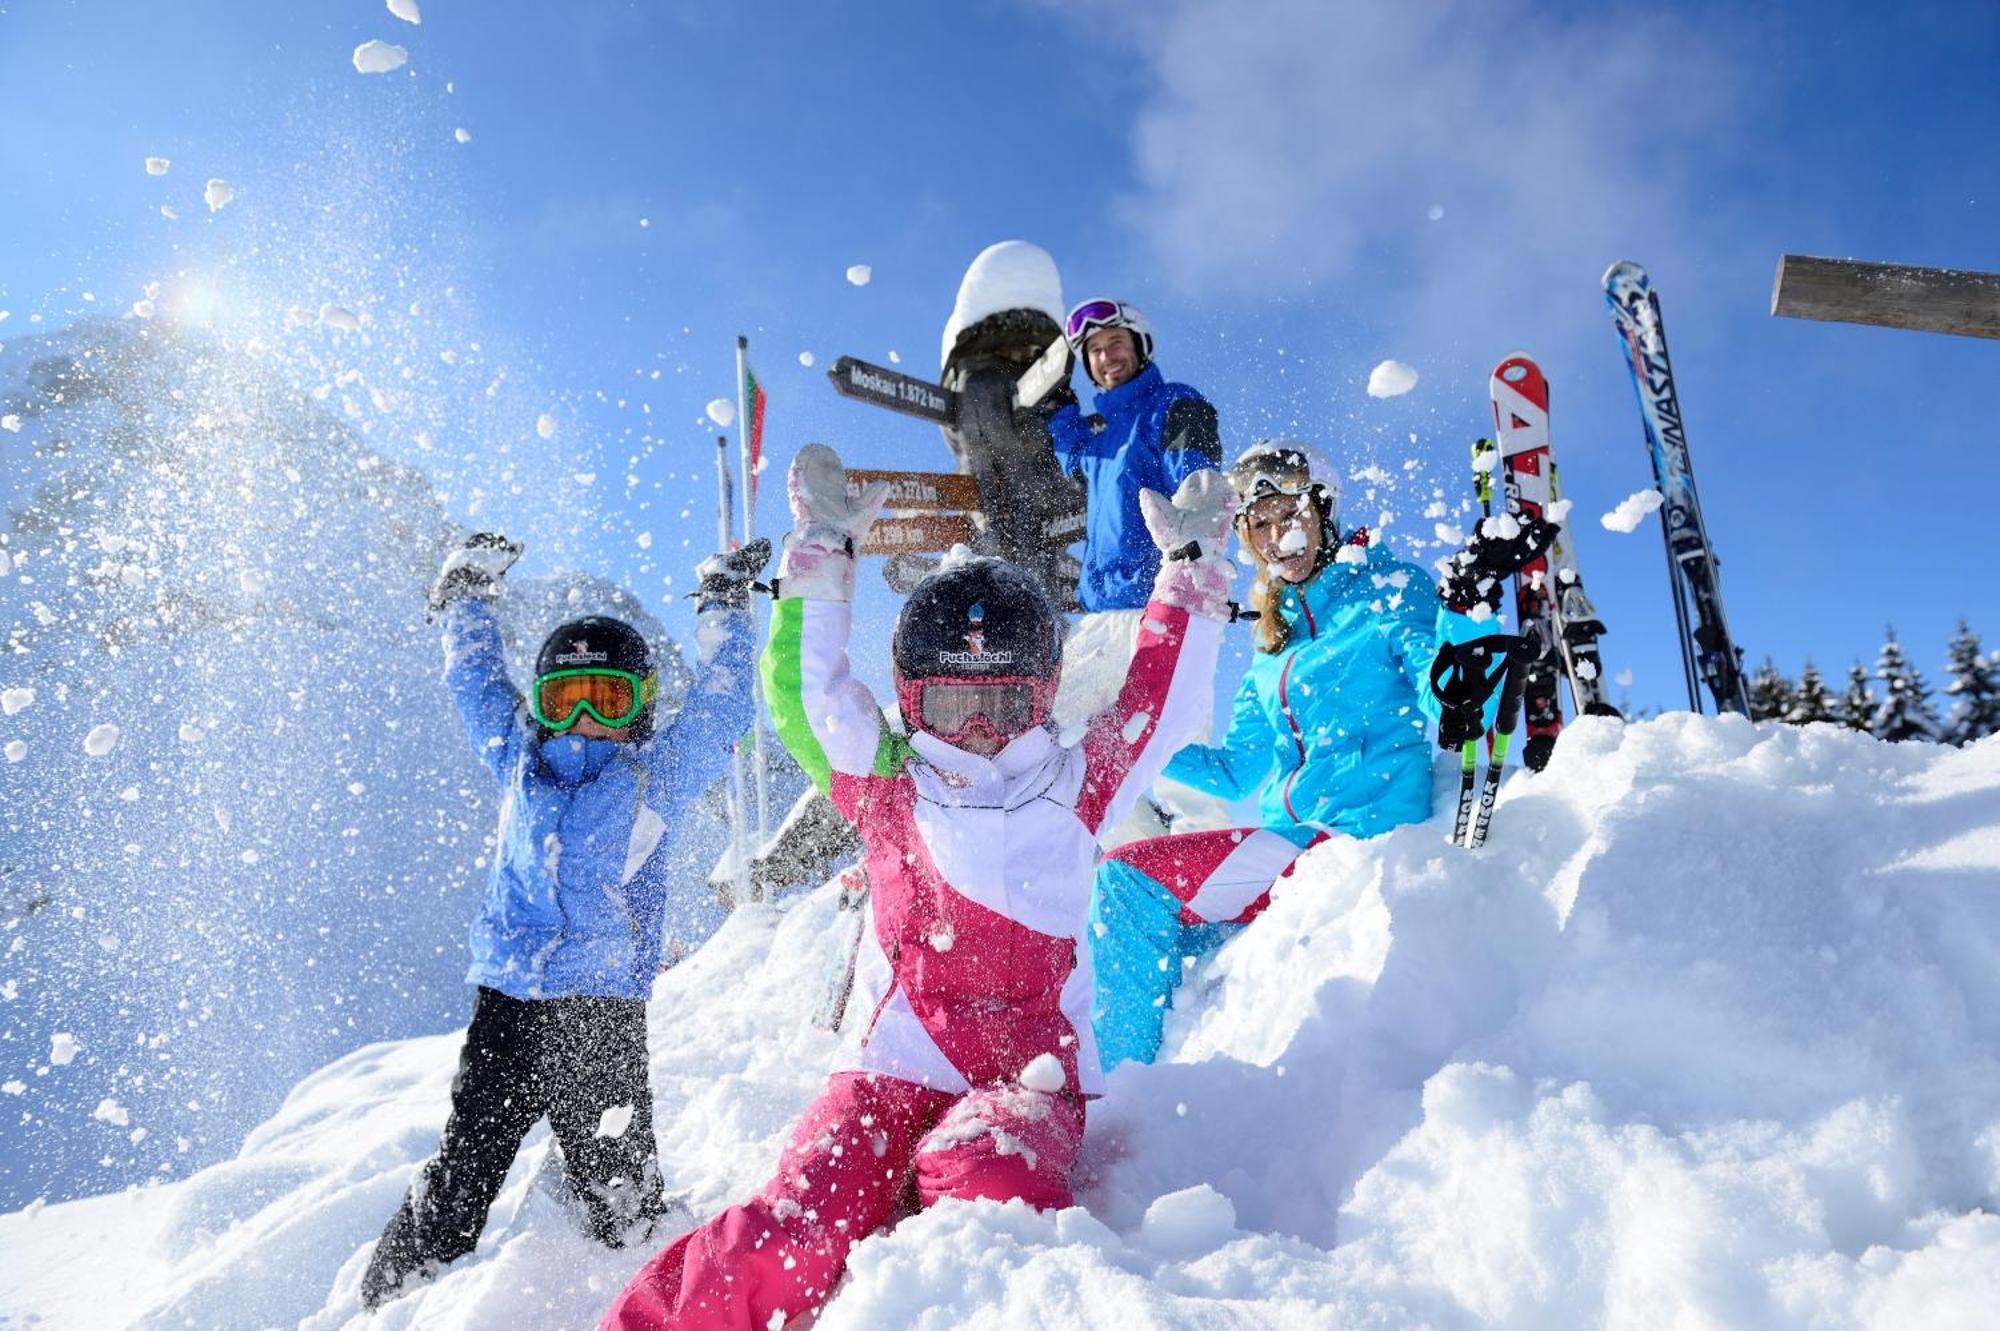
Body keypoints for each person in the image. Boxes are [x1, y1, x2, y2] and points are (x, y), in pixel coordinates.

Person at [599, 442, 1236, 1331]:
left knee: (991, 1180)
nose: (977, 732)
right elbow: (805, 695)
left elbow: (1157, 701)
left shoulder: (1077, 782)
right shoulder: (888, 781)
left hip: (1027, 1077)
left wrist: (1191, 577)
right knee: (797, 1222)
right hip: (886, 1074)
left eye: (1004, 705)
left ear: (1043, 695)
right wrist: (820, 554)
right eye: (949, 708)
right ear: (910, 699)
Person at [358, 532, 770, 1311]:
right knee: (467, 1163)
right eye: (564, 698)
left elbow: (722, 706)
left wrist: (722, 603)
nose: (583, 720)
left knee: (619, 1185)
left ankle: (623, 1301)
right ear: (541, 706)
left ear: (641, 707)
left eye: (608, 700)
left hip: (600, 1009)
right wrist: (467, 599)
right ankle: (392, 1297)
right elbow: (477, 683)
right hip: (507, 1001)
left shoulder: (657, 773)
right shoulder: (517, 755)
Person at [1088, 441, 1530, 1071]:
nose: (1278, 536)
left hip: (1353, 836)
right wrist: (1130, 740)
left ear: (1322, 509)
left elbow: (1459, 711)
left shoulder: (1387, 587)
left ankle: (1116, 1094)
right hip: (1289, 842)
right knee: (1163, 940)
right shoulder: (1272, 647)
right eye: (1260, 525)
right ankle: (1151, 1085)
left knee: (1125, 884)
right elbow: (1234, 769)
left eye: (1289, 515)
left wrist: (1464, 612)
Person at [1044, 298, 1222, 614]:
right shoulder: (1103, 443)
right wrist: (1061, 411)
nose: (1106, 356)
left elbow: (1197, 483)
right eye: (1094, 350)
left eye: (1116, 343)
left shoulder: (1172, 402)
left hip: (1159, 600)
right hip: (1098, 610)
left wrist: (1194, 556)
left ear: (1139, 347)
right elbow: (1075, 461)